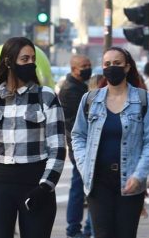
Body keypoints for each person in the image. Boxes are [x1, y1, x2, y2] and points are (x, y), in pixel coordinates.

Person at [0, 37, 66, 238]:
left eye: (33, 58)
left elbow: (58, 149)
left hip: (35, 183)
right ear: (9, 62)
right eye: (24, 59)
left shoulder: (46, 97)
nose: (30, 63)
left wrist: (45, 187)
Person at [71, 47, 149, 238]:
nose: (112, 68)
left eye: (117, 64)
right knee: (102, 234)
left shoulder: (144, 100)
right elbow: (78, 135)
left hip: (130, 181)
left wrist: (139, 176)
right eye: (107, 64)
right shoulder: (90, 100)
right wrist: (84, 164)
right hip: (98, 180)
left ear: (127, 67)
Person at [59, 55, 93, 238]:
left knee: (81, 186)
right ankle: (74, 228)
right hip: (79, 146)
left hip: (79, 145)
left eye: (89, 65)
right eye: (83, 66)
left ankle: (81, 228)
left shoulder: (79, 86)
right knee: (80, 187)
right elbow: (78, 122)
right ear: (74, 69)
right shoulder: (71, 90)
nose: (88, 68)